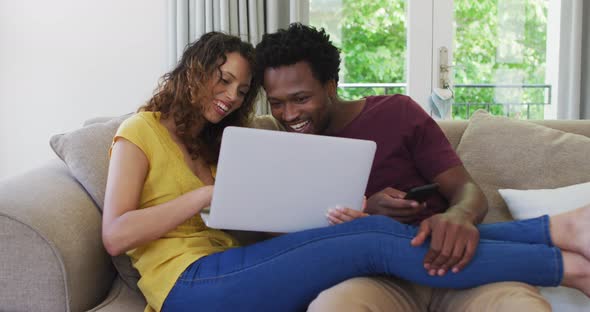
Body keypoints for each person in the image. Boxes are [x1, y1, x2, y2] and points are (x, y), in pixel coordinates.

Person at [102, 31, 590, 312]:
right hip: (185, 283)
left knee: (371, 230)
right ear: (194, 70)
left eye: (239, 88)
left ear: (331, 87)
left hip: (229, 266)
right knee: (374, 237)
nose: (230, 96)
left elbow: (257, 231)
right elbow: (115, 235)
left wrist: (321, 213)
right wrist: (204, 196)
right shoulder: (139, 131)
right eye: (223, 80)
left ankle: (560, 230)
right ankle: (564, 259)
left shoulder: (214, 144)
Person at [254, 23, 589, 311]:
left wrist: (458, 215)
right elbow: (283, 240)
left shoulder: (397, 113)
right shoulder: (281, 148)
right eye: (277, 103)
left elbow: (467, 191)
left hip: (456, 270)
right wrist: (368, 211)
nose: (289, 115)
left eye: (301, 98)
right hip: (375, 281)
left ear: (330, 86)